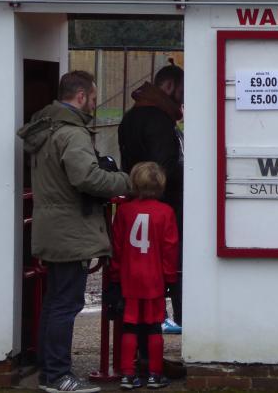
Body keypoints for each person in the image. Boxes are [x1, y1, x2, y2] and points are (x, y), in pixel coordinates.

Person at [17, 71, 131, 393]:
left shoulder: (46, 129)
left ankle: (49, 372)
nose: (95, 104)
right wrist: (127, 182)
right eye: (94, 98)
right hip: (70, 232)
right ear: (80, 96)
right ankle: (58, 375)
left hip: (52, 227)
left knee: (55, 303)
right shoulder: (72, 134)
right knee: (66, 305)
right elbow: (87, 178)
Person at [118, 64, 184, 334]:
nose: (184, 97)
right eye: (182, 90)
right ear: (169, 87)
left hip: (139, 206)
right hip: (165, 209)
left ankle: (140, 355)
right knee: (173, 267)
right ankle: (176, 321)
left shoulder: (131, 116)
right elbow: (165, 166)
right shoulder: (158, 121)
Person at [109, 162, 179, 390]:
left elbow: (117, 246)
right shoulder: (165, 212)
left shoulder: (124, 211)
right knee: (153, 327)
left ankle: (127, 374)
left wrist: (116, 274)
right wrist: (170, 277)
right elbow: (170, 248)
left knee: (129, 326)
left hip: (129, 276)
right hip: (153, 277)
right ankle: (154, 374)